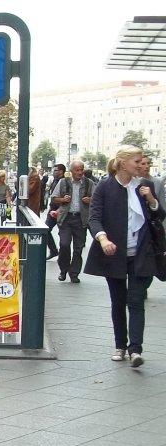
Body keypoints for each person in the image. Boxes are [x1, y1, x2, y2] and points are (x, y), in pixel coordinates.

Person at [83, 146, 164, 368]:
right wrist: (103, 239)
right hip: (115, 253)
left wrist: (152, 201)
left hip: (142, 253)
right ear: (123, 163)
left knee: (136, 300)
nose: (141, 165)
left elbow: (160, 214)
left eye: (142, 162)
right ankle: (120, 344)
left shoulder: (145, 186)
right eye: (137, 162)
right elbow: (95, 217)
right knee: (118, 301)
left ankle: (135, 350)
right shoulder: (105, 187)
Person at [52, 160, 94, 283]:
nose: (80, 173)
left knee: (78, 248)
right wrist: (62, 199)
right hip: (66, 218)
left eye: (82, 170)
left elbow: (97, 199)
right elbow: (54, 198)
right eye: (77, 170)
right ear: (71, 172)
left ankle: (74, 273)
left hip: (81, 219)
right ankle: (63, 269)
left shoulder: (89, 183)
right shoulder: (63, 182)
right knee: (64, 245)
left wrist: (90, 200)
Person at [43, 163, 66, 260]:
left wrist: (60, 209)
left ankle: (63, 254)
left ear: (61, 171)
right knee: (46, 230)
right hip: (52, 209)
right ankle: (53, 250)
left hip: (61, 210)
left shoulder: (64, 182)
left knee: (63, 233)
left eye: (55, 170)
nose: (53, 172)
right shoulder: (54, 181)